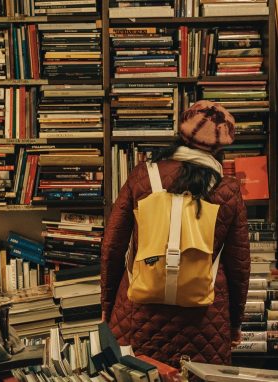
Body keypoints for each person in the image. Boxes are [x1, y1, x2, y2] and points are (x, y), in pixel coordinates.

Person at [100, 100, 251, 369]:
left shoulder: (142, 177)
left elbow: (112, 247)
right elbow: (239, 265)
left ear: (181, 134)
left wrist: (108, 305)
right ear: (220, 148)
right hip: (206, 320)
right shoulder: (228, 190)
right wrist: (235, 322)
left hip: (137, 312)